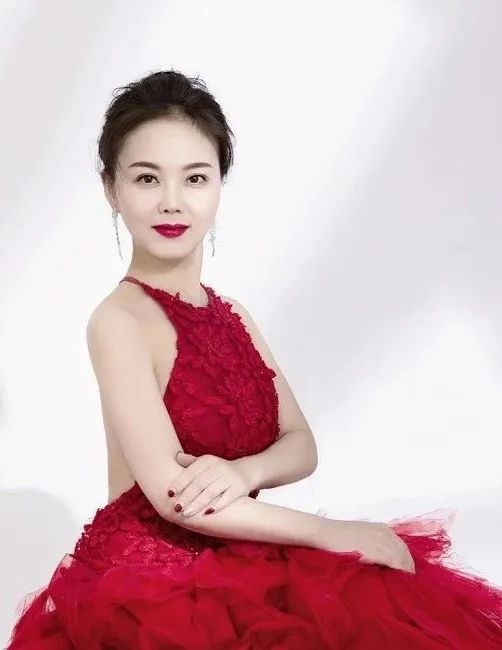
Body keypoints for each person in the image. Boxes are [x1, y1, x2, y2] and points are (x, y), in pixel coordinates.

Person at [7, 69, 502, 649]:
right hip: (148, 585)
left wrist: (244, 472)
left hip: (238, 552)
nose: (172, 202)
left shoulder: (233, 313)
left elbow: (300, 444)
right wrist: (330, 532)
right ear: (111, 189)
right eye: (146, 178)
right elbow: (176, 499)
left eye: (195, 177)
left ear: (219, 184)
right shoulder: (118, 322)